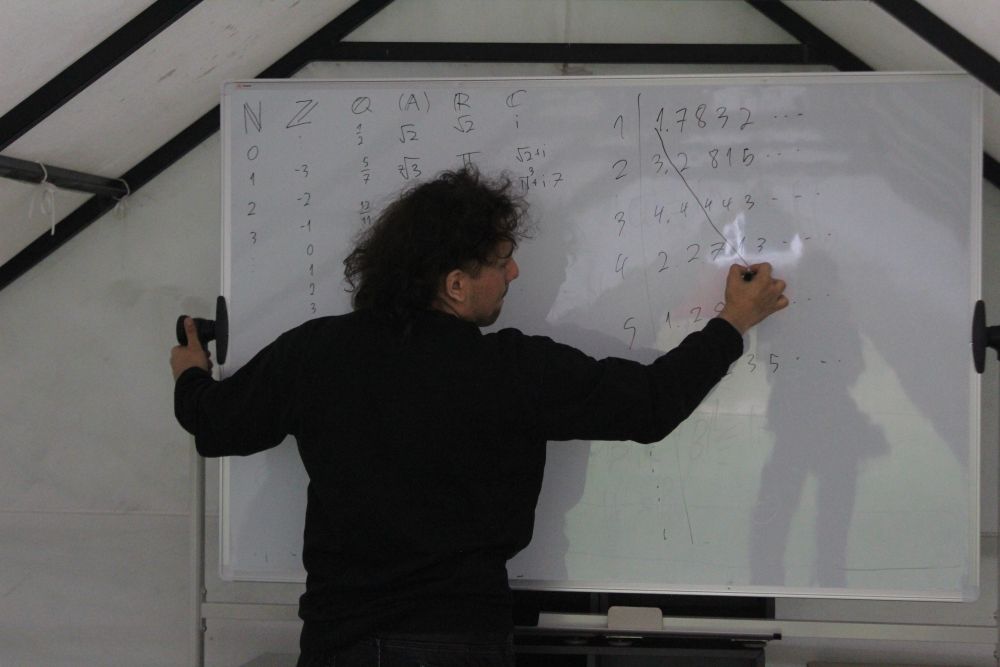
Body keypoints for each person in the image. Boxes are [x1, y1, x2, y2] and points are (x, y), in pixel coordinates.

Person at [171, 167, 788, 667]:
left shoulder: (315, 352)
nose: (514, 272)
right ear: (456, 285)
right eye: (500, 260)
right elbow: (651, 405)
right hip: (458, 640)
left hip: (339, 642)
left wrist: (191, 372)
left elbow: (215, 424)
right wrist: (733, 321)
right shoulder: (510, 370)